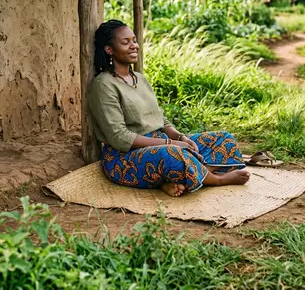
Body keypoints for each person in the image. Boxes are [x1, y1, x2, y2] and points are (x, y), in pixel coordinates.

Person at [88, 20, 250, 197]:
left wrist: (180, 137)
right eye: (125, 42)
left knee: (224, 140)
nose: (134, 46)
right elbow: (119, 137)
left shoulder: (139, 79)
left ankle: (177, 179)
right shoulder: (104, 84)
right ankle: (215, 179)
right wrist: (171, 143)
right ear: (109, 49)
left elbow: (160, 119)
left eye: (134, 40)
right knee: (172, 154)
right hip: (125, 158)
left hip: (162, 142)